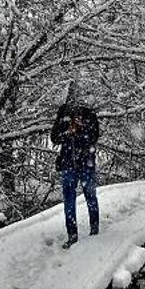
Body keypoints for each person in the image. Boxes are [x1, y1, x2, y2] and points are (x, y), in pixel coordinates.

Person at [50, 85, 100, 249]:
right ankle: (72, 234)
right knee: (69, 201)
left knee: (90, 197)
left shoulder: (89, 114)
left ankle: (94, 229)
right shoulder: (63, 112)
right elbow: (54, 138)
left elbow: (94, 137)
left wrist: (81, 130)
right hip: (68, 163)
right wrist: (68, 131)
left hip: (86, 162)